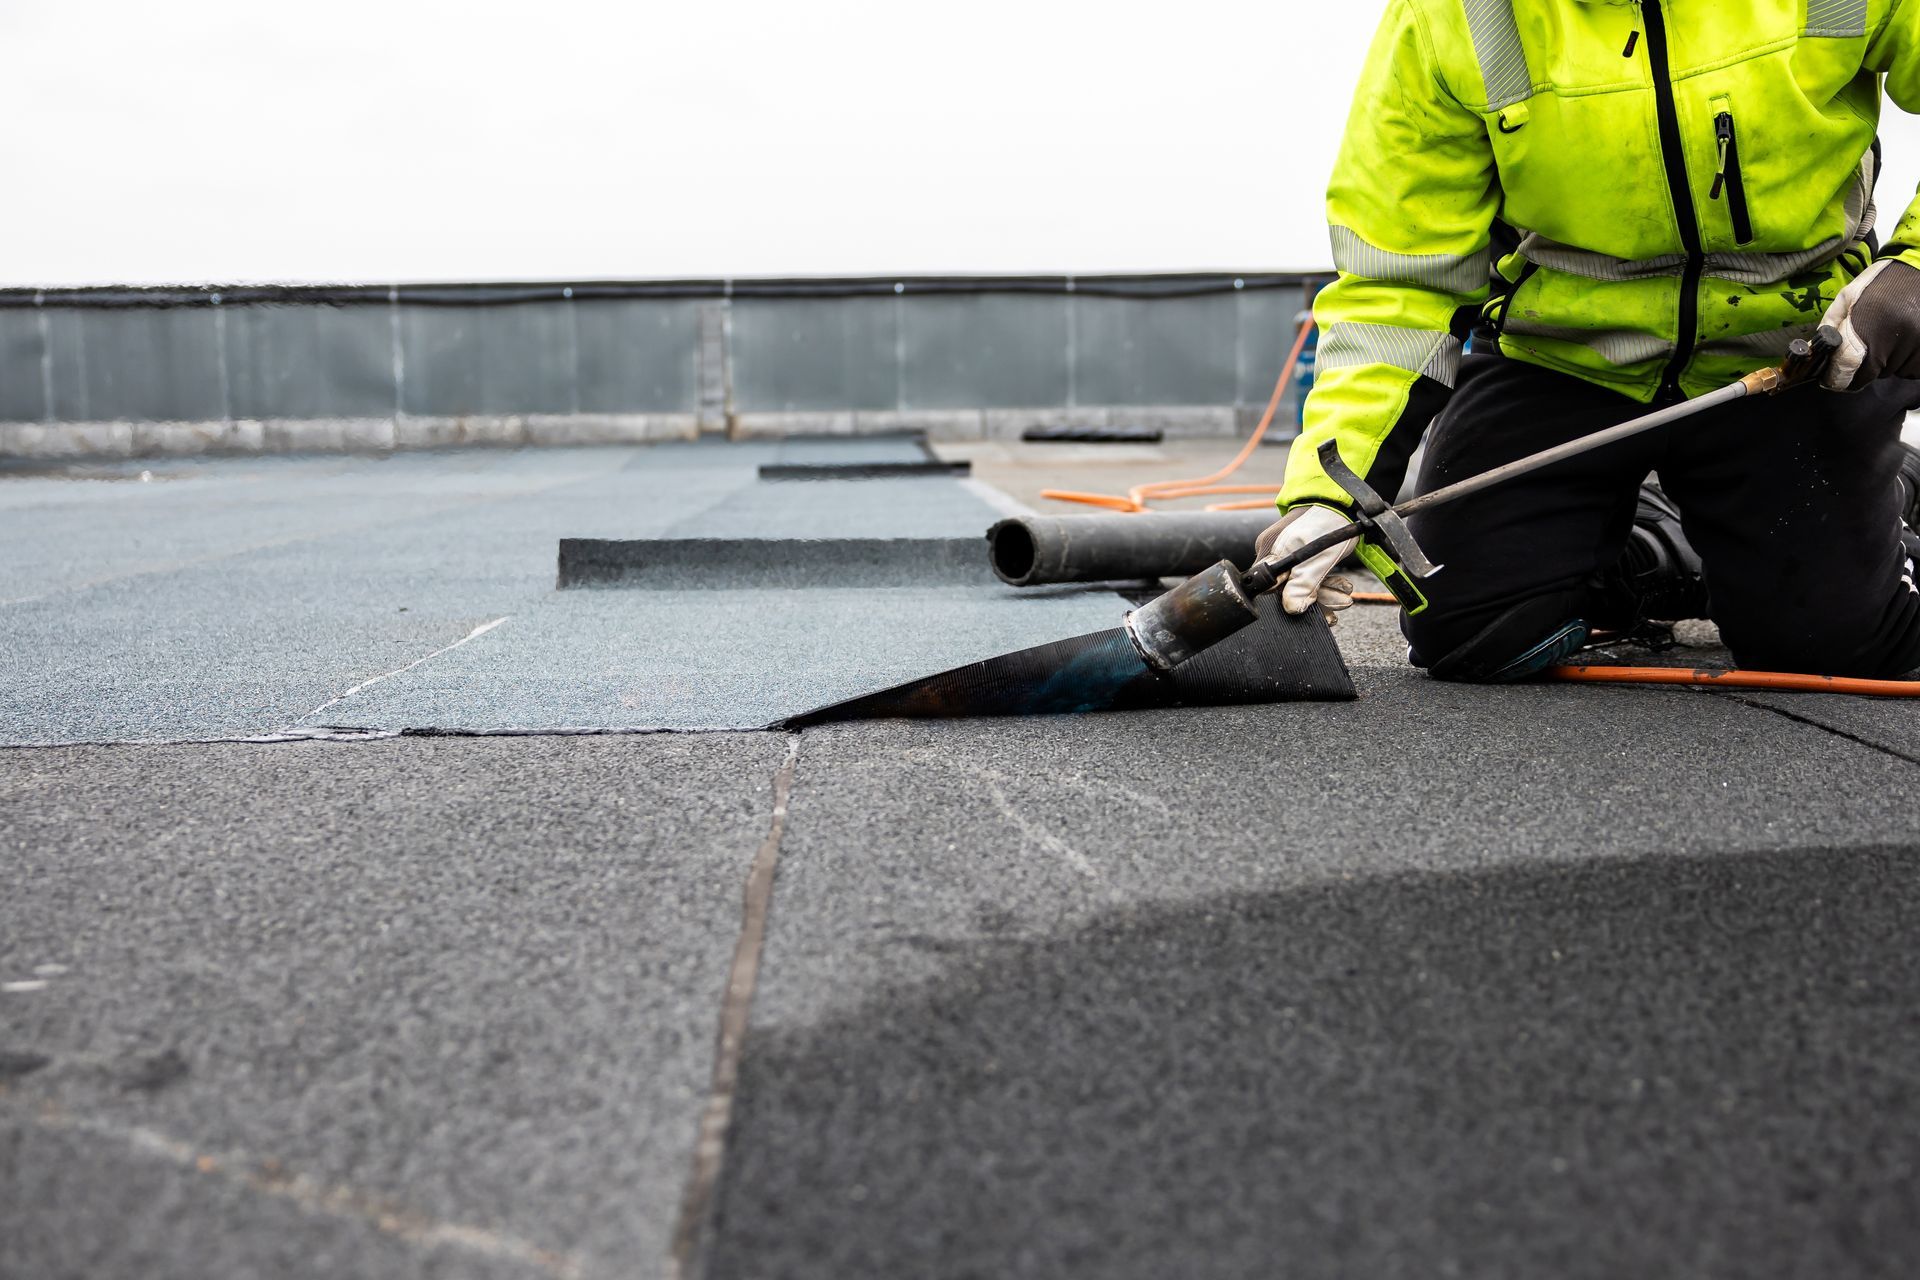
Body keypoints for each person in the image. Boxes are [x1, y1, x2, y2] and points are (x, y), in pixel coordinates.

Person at [1262, 0, 1920, 681]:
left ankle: (1893, 484)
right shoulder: (1451, 15)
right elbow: (1398, 287)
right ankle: (1670, 542)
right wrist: (1330, 498)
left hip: (1787, 352)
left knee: (1837, 650)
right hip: (1563, 357)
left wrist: (1915, 273)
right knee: (1470, 634)